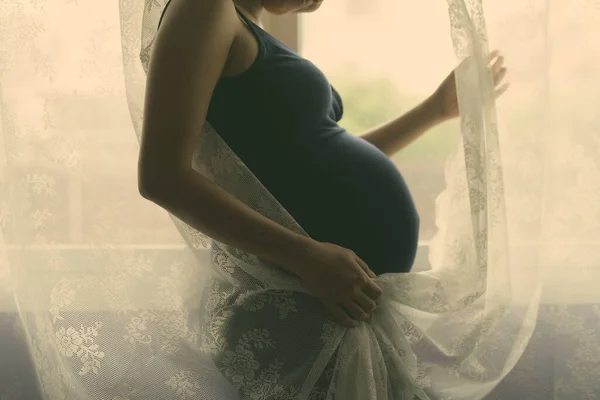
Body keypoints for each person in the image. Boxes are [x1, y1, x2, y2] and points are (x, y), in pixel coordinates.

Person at [138, 0, 507, 329]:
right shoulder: (205, 8)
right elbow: (162, 176)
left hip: (330, 303)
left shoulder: (244, 25)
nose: (317, 5)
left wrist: (434, 110)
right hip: (297, 299)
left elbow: (310, 166)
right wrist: (308, 257)